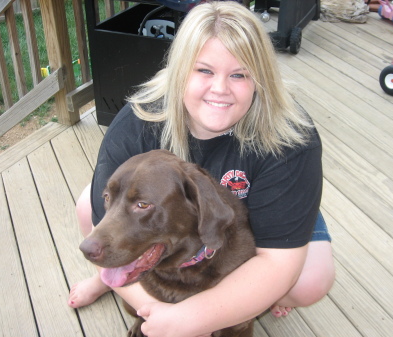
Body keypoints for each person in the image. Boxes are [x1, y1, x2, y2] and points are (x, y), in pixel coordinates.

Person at [68, 2, 335, 336]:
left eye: (239, 74)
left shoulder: (290, 139)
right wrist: (157, 313)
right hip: (170, 216)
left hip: (269, 207)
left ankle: (253, 293)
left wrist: (193, 319)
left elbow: (276, 261)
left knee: (307, 282)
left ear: (260, 79)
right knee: (86, 208)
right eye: (204, 70)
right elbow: (104, 214)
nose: (220, 89)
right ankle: (114, 275)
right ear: (180, 70)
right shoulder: (138, 122)